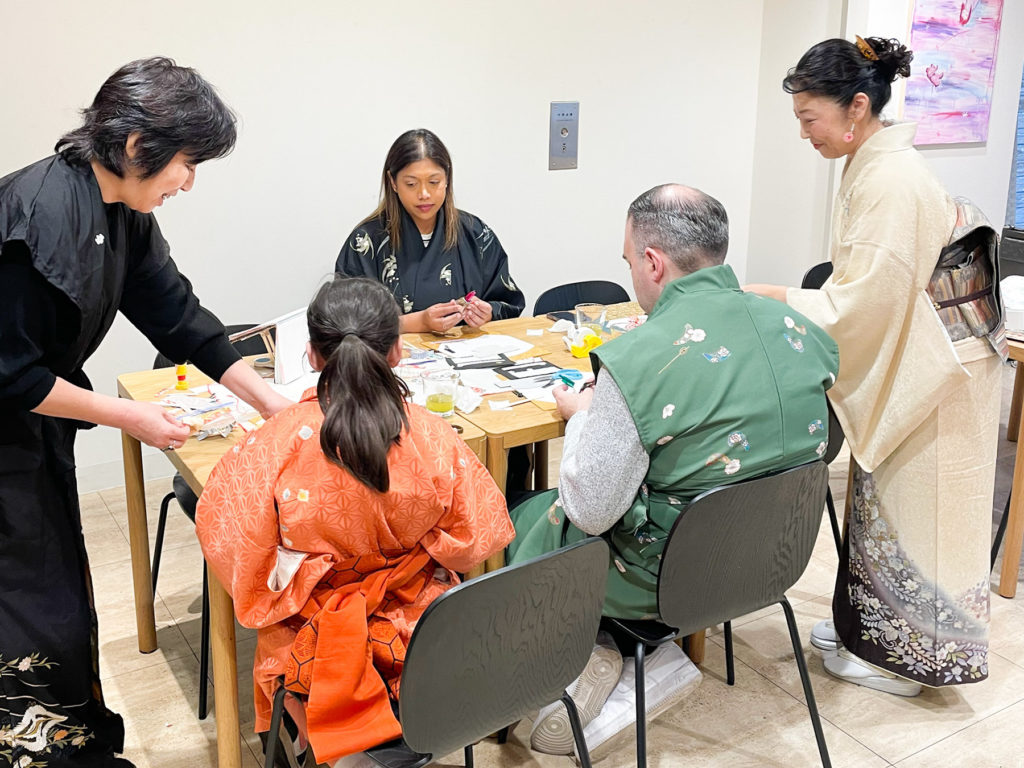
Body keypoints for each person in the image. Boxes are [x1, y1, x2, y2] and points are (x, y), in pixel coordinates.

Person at [0, 57, 291, 767]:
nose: (188, 182)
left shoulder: (120, 211)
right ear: (136, 147)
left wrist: (269, 397)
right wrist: (129, 417)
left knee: (59, 591)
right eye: (187, 164)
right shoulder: (37, 214)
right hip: (6, 433)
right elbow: (10, 373)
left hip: (32, 432)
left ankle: (77, 742)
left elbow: (179, 317)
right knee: (30, 605)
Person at [507, 184, 839, 757]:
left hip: (663, 580)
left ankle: (590, 653)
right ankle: (648, 655)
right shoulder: (800, 332)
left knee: (529, 515)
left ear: (654, 263)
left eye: (630, 260)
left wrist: (583, 417)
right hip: (771, 558)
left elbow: (589, 508)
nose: (632, 273)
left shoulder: (642, 359)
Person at [744, 36, 1005, 696]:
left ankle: (909, 661)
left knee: (923, 510)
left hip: (938, 364)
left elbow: (866, 303)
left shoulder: (891, 178)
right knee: (887, 507)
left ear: (856, 107)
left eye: (810, 119)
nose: (805, 134)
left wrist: (776, 298)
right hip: (921, 349)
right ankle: (875, 627)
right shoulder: (873, 165)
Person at [196, 275, 514, 767]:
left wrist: (303, 564)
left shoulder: (276, 444)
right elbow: (479, 537)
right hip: (422, 633)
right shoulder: (430, 434)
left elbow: (230, 543)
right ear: (398, 352)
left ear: (312, 355)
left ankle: (326, 736)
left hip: (315, 631)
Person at [335, 128, 525, 333]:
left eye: (434, 182)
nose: (424, 194)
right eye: (411, 184)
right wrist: (417, 323)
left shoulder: (475, 233)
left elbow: (508, 302)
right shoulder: (366, 242)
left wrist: (488, 312)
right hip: (394, 360)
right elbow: (343, 322)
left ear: (447, 179)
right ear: (393, 182)